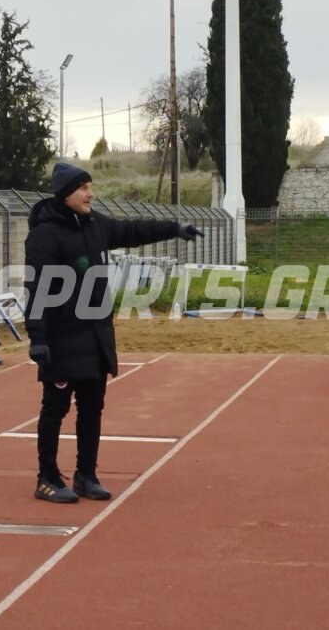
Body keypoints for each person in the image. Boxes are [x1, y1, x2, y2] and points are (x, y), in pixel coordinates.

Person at [23, 161, 202, 504]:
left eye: (90, 186)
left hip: (96, 337)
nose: (90, 193)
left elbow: (132, 231)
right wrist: (38, 338)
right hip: (61, 338)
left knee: (92, 408)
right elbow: (36, 288)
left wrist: (174, 228)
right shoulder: (44, 236)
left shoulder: (95, 224)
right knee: (55, 410)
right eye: (83, 188)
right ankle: (46, 478)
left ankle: (85, 475)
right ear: (65, 193)